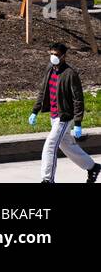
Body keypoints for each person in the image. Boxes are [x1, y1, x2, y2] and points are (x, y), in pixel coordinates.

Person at [30, 42, 100, 184]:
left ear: (63, 56)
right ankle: (92, 167)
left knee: (50, 144)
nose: (53, 57)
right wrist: (35, 111)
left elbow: (78, 99)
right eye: (51, 53)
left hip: (64, 117)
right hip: (54, 115)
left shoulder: (70, 74)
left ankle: (47, 179)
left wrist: (78, 122)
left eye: (56, 54)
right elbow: (43, 91)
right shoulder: (50, 69)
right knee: (66, 145)